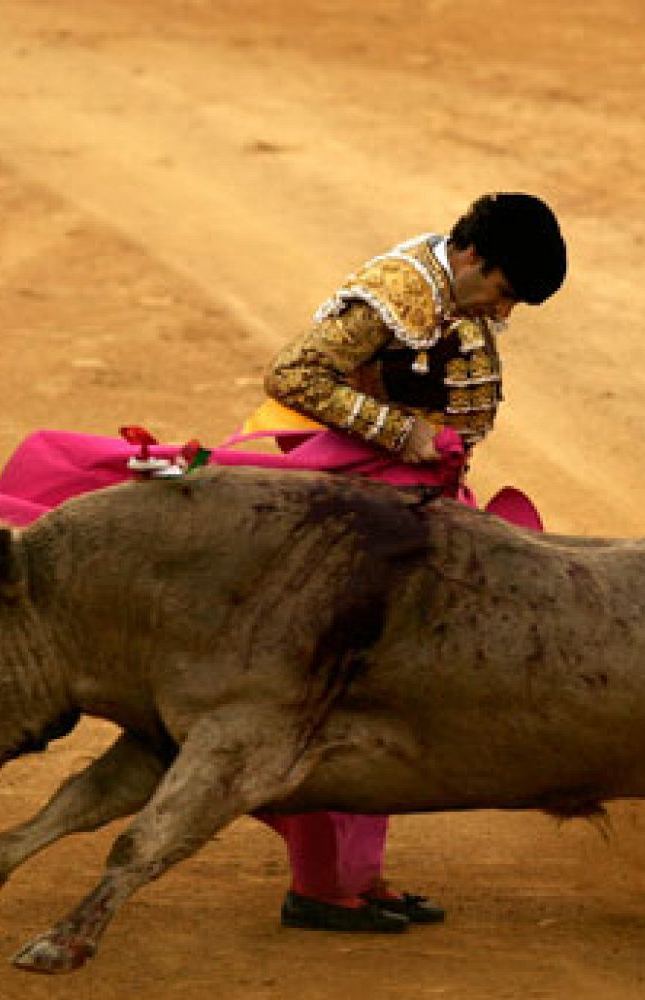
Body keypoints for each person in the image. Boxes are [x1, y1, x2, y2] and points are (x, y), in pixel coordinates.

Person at [226, 192, 567, 933]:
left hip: (398, 506)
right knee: (339, 681)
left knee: (391, 683)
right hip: (351, 513)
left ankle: (354, 872)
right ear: (474, 256)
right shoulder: (401, 291)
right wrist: (395, 429)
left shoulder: (450, 287)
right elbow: (292, 372)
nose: (502, 313)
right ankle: (320, 883)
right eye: (504, 292)